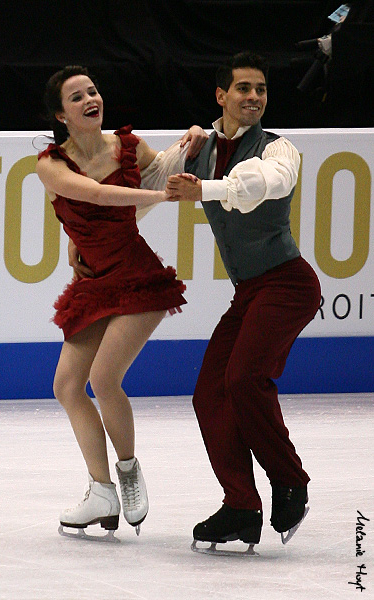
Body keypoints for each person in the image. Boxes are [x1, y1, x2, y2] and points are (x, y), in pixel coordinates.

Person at [36, 65, 207, 538]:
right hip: (94, 282)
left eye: (93, 90)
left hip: (136, 277)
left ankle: (128, 471)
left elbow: (168, 165)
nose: (91, 99)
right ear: (60, 114)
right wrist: (159, 195)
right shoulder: (50, 163)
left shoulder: (128, 147)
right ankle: (101, 492)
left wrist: (192, 138)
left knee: (103, 379)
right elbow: (92, 195)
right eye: (77, 97)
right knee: (68, 386)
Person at [166, 51, 321, 550]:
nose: (253, 97)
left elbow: (262, 185)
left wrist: (204, 188)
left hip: (288, 283)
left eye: (260, 89)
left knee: (244, 377)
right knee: (210, 393)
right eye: (243, 88)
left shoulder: (279, 150)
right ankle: (240, 506)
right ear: (221, 95)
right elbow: (152, 182)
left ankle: (289, 477)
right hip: (249, 291)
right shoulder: (200, 147)